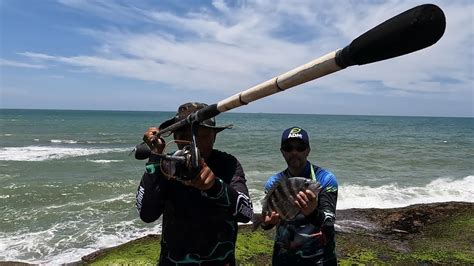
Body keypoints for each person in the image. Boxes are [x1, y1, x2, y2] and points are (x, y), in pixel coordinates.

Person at [135, 102, 253, 265]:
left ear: (214, 137)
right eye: (185, 135)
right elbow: (147, 214)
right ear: (175, 137)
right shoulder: (166, 165)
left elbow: (246, 213)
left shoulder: (228, 164)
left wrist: (215, 187)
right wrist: (155, 156)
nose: (193, 144)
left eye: (202, 135)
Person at [261, 126, 338, 265]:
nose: (294, 152)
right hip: (284, 258)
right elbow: (266, 221)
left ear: (308, 150)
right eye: (288, 147)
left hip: (320, 259)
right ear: (282, 152)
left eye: (300, 147)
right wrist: (267, 223)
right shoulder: (274, 182)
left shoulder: (325, 179)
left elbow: (329, 220)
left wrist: (313, 212)